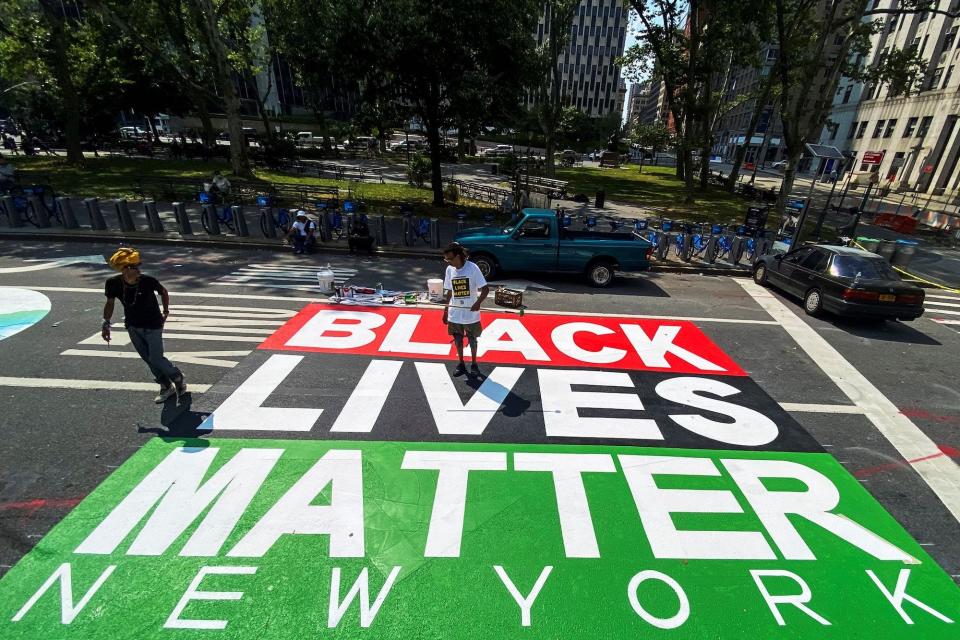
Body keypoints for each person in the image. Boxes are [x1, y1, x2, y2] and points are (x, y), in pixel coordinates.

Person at [101, 248, 186, 403]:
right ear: (125, 269)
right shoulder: (113, 283)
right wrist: (106, 323)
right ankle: (165, 385)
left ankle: (177, 377)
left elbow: (163, 292)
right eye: (134, 267)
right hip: (133, 325)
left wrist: (165, 311)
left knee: (156, 357)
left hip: (153, 324)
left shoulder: (147, 281)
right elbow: (110, 303)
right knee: (147, 358)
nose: (138, 270)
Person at [441, 242, 489, 377]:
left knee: (472, 339)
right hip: (455, 312)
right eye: (446, 259)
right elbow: (449, 291)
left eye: (450, 258)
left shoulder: (472, 268)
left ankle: (474, 364)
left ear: (458, 256)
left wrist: (478, 303)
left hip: (470, 313)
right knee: (457, 338)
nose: (448, 261)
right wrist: (445, 310)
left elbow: (485, 289)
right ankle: (461, 363)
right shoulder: (450, 270)